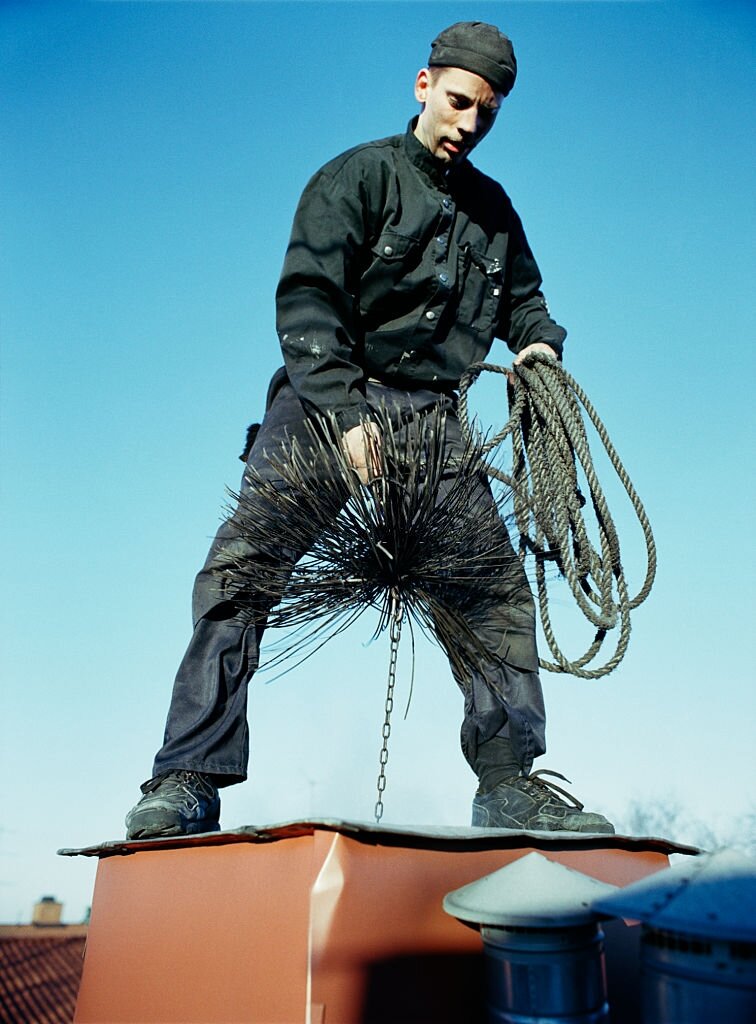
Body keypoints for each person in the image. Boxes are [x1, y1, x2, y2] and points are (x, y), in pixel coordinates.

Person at [125, 21, 614, 840]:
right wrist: (346, 415)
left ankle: (507, 781)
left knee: (491, 594)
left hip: (434, 423)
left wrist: (536, 341)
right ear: (424, 85)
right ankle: (185, 779)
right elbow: (309, 299)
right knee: (241, 571)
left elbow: (524, 298)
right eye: (458, 101)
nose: (467, 123)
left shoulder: (494, 214)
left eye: (486, 114)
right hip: (324, 400)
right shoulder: (355, 177)